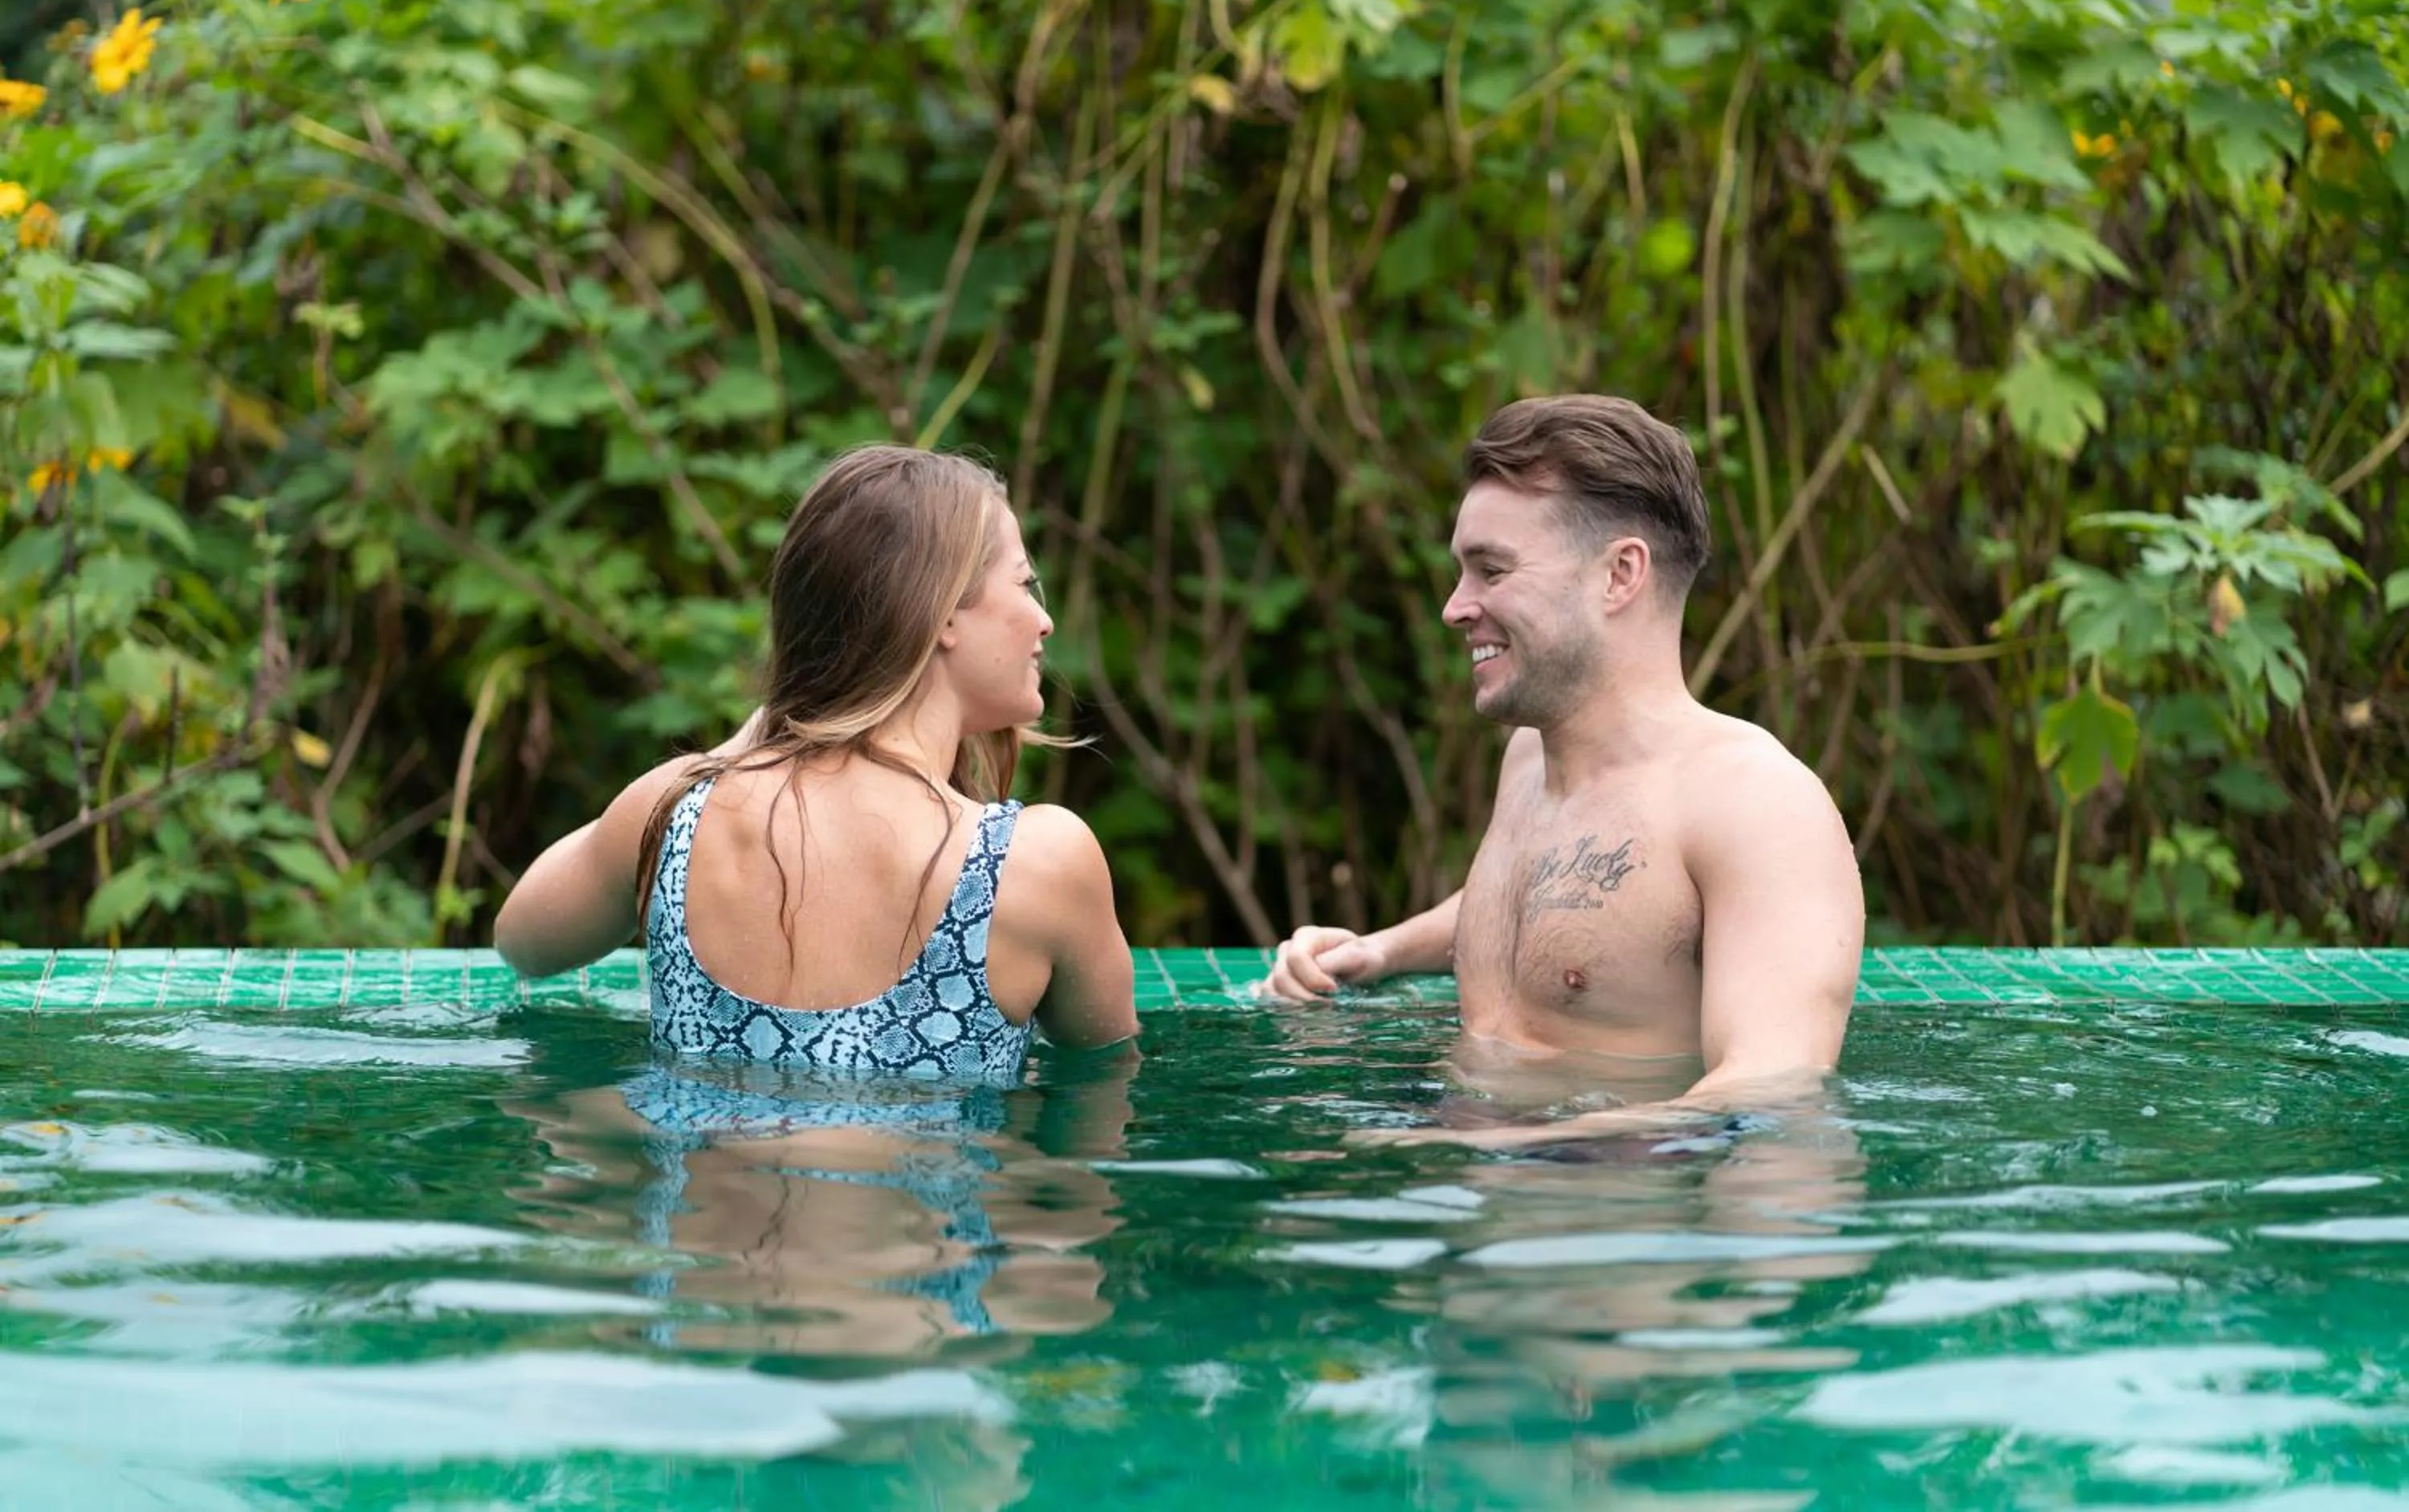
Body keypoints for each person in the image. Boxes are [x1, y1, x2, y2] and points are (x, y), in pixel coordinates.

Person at [1261, 395, 1863, 1147]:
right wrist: (1379, 950)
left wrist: (1492, 1149)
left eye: (1491, 570)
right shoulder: (1530, 760)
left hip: (1613, 1239)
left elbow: (1778, 1092)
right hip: (1483, 1201)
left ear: (1620, 575)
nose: (1454, 607)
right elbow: (1572, 895)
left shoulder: (1756, 805)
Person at [495, 444, 1139, 1078]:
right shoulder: (1038, 864)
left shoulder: (674, 818)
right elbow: (1102, 1095)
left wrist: (728, 754)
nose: (1044, 620)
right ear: (944, 614)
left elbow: (522, 943)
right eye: (1027, 584)